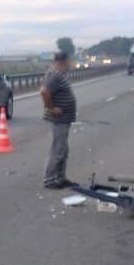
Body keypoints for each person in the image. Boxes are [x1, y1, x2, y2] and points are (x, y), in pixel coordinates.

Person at [39, 51, 77, 189]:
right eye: (69, 61)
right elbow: (44, 91)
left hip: (64, 119)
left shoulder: (59, 74)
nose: (70, 64)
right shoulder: (54, 74)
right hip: (58, 119)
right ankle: (50, 180)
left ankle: (60, 178)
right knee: (57, 149)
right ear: (63, 61)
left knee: (63, 150)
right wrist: (51, 108)